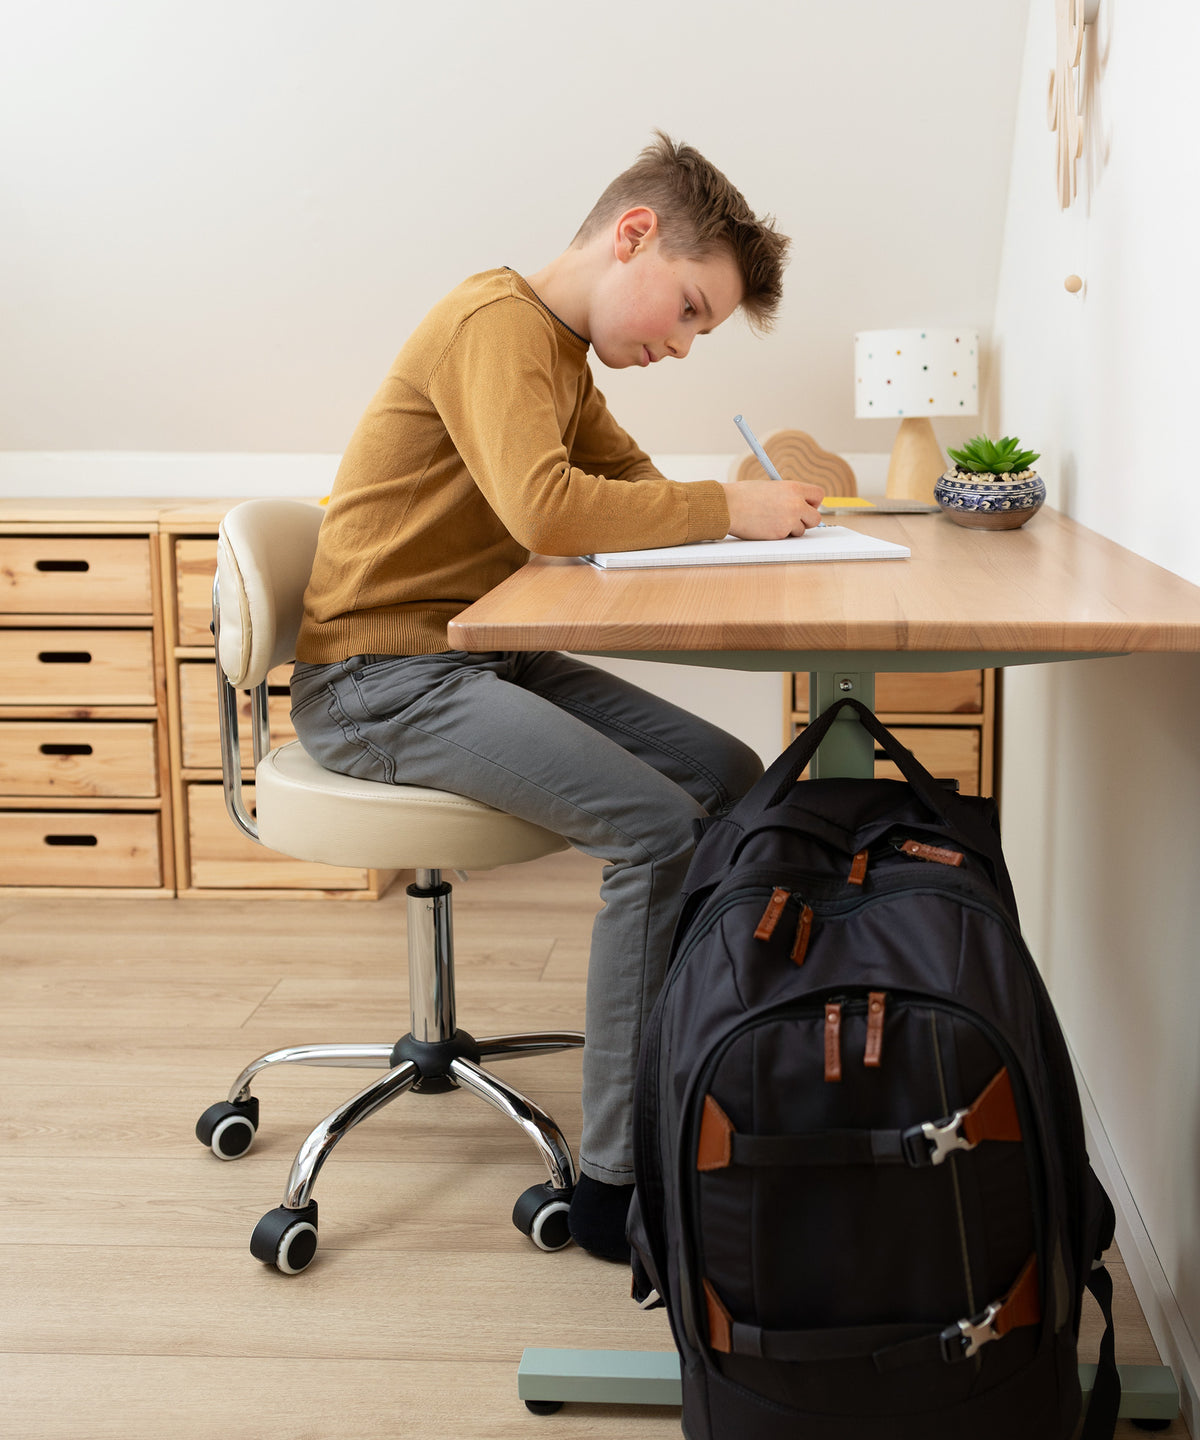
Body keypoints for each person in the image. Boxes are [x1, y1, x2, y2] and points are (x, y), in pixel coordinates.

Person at [289, 132, 824, 1260]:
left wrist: (740, 502)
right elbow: (549, 510)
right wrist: (727, 514)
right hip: (381, 679)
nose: (682, 347)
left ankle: (696, 1065)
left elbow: (623, 488)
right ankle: (617, 1187)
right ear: (632, 235)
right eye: (687, 310)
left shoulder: (562, 355)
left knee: (730, 779)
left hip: (478, 657)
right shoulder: (498, 326)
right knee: (657, 832)